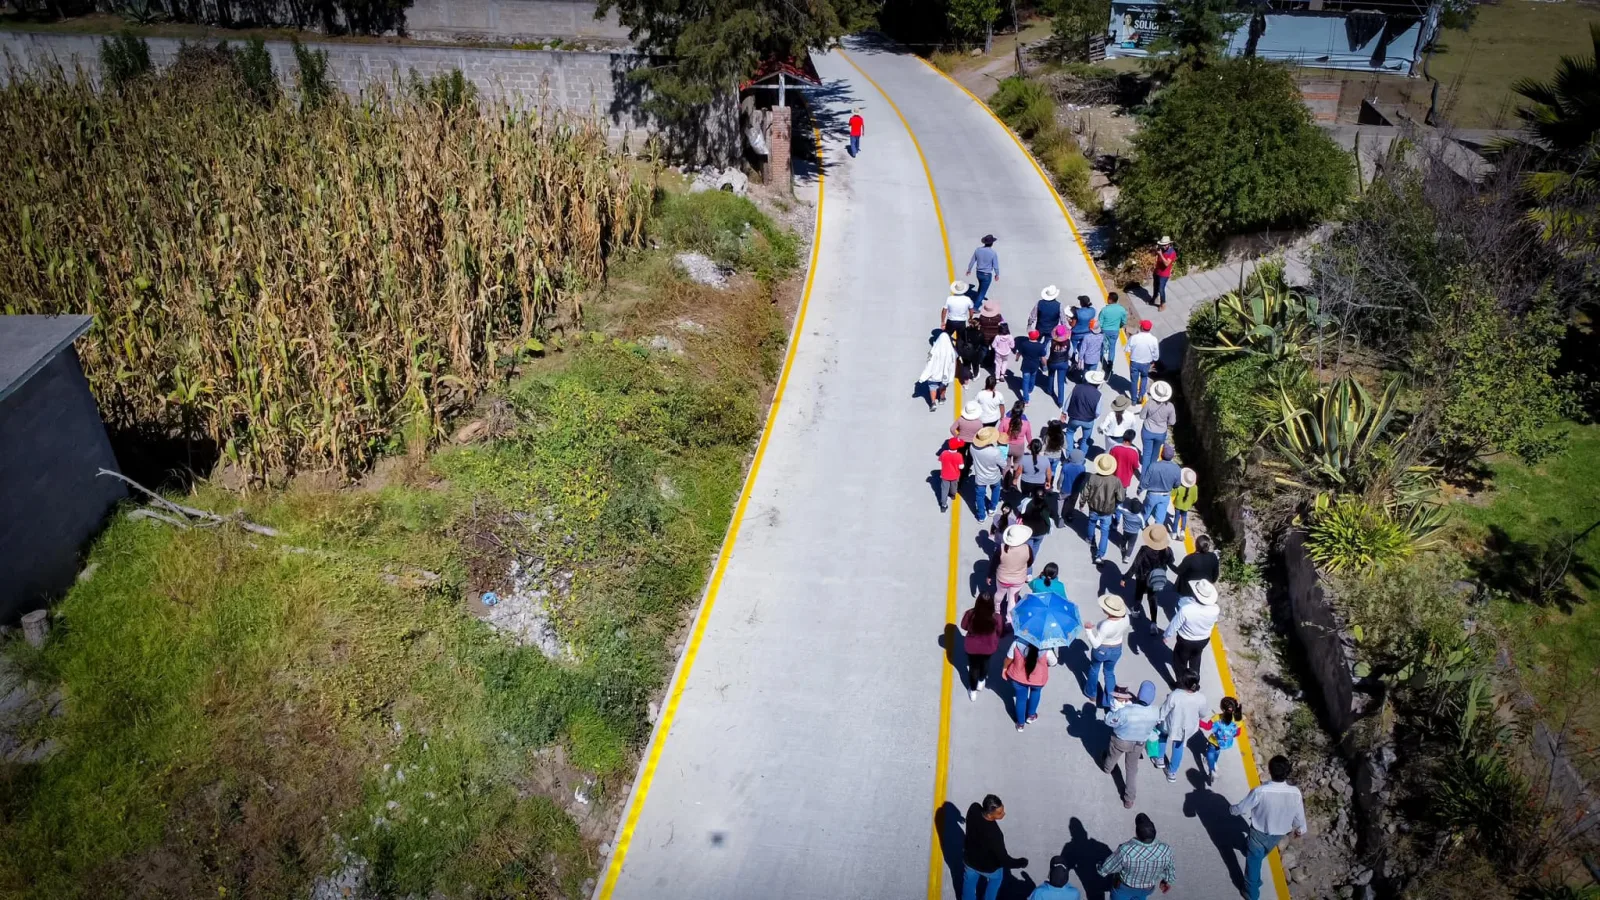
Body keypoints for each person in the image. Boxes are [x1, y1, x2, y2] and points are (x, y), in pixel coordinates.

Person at [1230, 755, 1308, 900]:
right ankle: (1255, 879)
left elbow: (1242, 808)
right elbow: (1299, 816)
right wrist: (1301, 829)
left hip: (1259, 833)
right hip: (1278, 835)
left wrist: (1231, 810)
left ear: (1270, 771)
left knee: (1253, 862)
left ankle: (1251, 893)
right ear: (1288, 772)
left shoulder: (1260, 791)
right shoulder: (1295, 793)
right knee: (1260, 854)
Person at [1103, 680, 1162, 808]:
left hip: (1121, 740)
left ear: (1139, 694)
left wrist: (1109, 714)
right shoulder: (1156, 711)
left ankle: (1108, 768)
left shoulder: (1126, 710)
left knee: (1112, 755)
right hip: (1139, 744)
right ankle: (1129, 799)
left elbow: (1109, 722)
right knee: (1131, 769)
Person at [964, 794, 1028, 900]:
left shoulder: (974, 808)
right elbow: (1005, 860)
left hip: (970, 861)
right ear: (989, 815)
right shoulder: (995, 835)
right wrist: (1021, 862)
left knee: (968, 886)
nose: (1003, 814)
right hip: (988, 868)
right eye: (999, 813)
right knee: (995, 881)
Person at [1097, 813, 1175, 899]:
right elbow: (1170, 868)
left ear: (1137, 833)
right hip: (1147, 889)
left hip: (1125, 888)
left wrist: (1100, 867)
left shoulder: (1126, 850)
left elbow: (1107, 867)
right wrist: (1167, 881)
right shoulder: (1166, 850)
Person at [1164, 578, 1219, 684]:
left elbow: (1175, 624)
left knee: (1180, 662)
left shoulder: (1186, 609)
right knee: (1196, 659)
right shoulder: (1215, 609)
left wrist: (1167, 635)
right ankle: (1194, 682)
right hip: (1203, 640)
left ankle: (1181, 684)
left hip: (1185, 641)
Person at [1083, 593, 1130, 709]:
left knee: (1094, 669)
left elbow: (1095, 644)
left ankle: (1092, 693)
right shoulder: (1126, 618)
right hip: (1117, 648)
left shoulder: (1106, 625)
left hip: (1102, 649)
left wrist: (1088, 630)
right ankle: (1110, 700)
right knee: (1109, 672)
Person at [1158, 675, 1208, 783]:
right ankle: (1172, 772)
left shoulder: (1175, 694)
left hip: (1171, 724)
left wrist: (1160, 719)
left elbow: (1165, 709)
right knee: (1178, 746)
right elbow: (1203, 714)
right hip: (1186, 729)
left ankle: (1160, 759)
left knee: (1162, 735)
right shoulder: (1201, 698)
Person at [1126, 524, 1174, 630]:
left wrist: (1126, 577)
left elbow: (1136, 565)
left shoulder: (1144, 550)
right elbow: (1171, 562)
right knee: (1152, 598)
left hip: (1142, 577)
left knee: (1139, 593)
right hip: (1156, 579)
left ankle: (1136, 610)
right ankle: (1153, 623)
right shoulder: (1167, 550)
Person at [1005, 635, 1055, 730]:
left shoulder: (1017, 643)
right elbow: (1053, 663)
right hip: (1037, 680)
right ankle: (1031, 716)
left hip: (1018, 678)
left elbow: (1009, 658)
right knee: (1035, 693)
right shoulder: (1047, 649)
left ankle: (1020, 724)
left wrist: (1004, 669)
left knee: (1020, 699)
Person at [1084, 454, 1124, 564]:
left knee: (1091, 523)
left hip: (1093, 508)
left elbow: (1085, 492)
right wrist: (1116, 504)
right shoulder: (1116, 481)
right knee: (1104, 532)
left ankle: (1090, 539)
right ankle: (1099, 555)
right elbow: (1121, 497)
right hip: (1108, 511)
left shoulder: (1092, 477)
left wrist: (1082, 503)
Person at [961, 593, 1002, 701]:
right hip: (989, 647)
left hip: (972, 647)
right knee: (985, 663)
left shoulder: (970, 614)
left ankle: (973, 691)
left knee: (973, 668)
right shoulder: (996, 617)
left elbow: (963, 626)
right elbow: (999, 631)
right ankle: (981, 681)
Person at [991, 524, 1035, 620]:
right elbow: (1030, 562)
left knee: (999, 594)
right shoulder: (1027, 548)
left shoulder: (1001, 548)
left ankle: (997, 611)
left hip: (1002, 578)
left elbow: (994, 563)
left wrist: (989, 575)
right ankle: (1009, 619)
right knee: (1012, 599)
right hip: (1018, 580)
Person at [1199, 695, 1244, 785]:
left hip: (1214, 741)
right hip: (1225, 743)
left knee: (1210, 752)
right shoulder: (1238, 720)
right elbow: (1237, 733)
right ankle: (1215, 762)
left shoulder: (1217, 718)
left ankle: (1211, 770)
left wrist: (1198, 721)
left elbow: (1207, 727)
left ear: (1223, 709)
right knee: (1217, 751)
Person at [970, 427, 1009, 521]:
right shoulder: (995, 451)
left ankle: (981, 516)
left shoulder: (972, 448)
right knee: (996, 490)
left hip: (980, 477)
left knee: (979, 497)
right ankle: (992, 508)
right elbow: (1003, 464)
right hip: (994, 476)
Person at [1141, 446, 1183, 528]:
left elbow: (1145, 482)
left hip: (1152, 494)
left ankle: (1142, 525)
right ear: (1172, 457)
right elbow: (1177, 484)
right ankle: (1156, 533)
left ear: (1161, 454)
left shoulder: (1153, 465)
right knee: (1160, 517)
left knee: (1146, 512)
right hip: (1165, 496)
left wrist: (1141, 489)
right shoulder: (1177, 469)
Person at [1064, 369, 1103, 455]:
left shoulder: (1077, 387)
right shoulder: (1098, 395)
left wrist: (1064, 412)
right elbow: (1097, 412)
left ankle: (1068, 454)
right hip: (1088, 420)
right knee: (1086, 439)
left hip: (1074, 417)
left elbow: (1068, 401)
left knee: (1070, 434)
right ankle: (1081, 457)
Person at [1140, 381, 1177, 471]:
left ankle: (1143, 479)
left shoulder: (1149, 403)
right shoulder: (1170, 406)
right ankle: (1151, 474)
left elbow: (1142, 416)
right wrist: (1164, 422)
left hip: (1147, 430)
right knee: (1155, 454)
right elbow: (1172, 422)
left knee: (1146, 454)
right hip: (1161, 433)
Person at [919, 331, 958, 411]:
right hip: (945, 374)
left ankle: (933, 403)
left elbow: (929, 361)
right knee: (943, 385)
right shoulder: (951, 351)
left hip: (934, 374)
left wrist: (926, 374)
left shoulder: (933, 350)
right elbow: (954, 361)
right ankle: (942, 398)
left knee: (932, 387)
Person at [1174, 533, 1220, 599]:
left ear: (1196, 545)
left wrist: (1169, 564)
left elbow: (1179, 571)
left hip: (1187, 591)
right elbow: (1215, 576)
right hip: (1203, 590)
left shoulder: (1190, 558)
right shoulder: (1213, 557)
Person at [1127, 321, 1159, 403]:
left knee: (1134, 381)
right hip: (1146, 364)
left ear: (1141, 327)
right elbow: (1156, 355)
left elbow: (1127, 349)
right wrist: (1153, 360)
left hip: (1134, 363)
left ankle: (1134, 400)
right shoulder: (1153, 339)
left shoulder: (1134, 337)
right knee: (1144, 378)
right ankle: (1141, 395)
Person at [1019, 485, 1053, 563]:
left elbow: (1021, 511)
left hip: (1028, 531)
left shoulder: (1027, 503)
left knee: (1028, 549)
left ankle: (1026, 563)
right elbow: (1048, 518)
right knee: (1036, 547)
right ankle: (1031, 562)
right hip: (1041, 532)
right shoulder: (1046, 505)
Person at [1056, 448, 1088, 529]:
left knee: (1061, 501)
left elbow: (1061, 478)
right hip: (1075, 490)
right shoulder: (1082, 468)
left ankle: (1060, 516)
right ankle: (1069, 515)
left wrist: (1058, 485)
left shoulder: (1066, 466)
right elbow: (1082, 480)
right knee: (1072, 502)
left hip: (1065, 489)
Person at [1097, 292, 1129, 372]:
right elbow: (1124, 322)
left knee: (1102, 346)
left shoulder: (1104, 310)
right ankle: (1110, 362)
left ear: (1110, 300)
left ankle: (1102, 359)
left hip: (1105, 331)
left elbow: (1100, 323)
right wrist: (1119, 326)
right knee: (1112, 347)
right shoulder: (1122, 310)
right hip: (1115, 331)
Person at [1016, 329, 1050, 405]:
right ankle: (1030, 389)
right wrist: (1045, 365)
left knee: (1025, 381)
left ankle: (1026, 399)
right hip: (1035, 365)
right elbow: (1043, 358)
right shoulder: (1040, 346)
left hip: (1026, 365)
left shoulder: (1024, 344)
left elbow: (1019, 353)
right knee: (1033, 378)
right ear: (1037, 336)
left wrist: (1017, 358)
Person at [966, 235, 1001, 305]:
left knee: (981, 287)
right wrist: (997, 274)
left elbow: (972, 261)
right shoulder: (993, 253)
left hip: (978, 273)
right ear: (992, 243)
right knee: (983, 291)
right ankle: (976, 307)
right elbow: (995, 266)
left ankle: (976, 299)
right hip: (987, 275)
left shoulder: (978, 250)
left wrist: (969, 270)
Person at [938, 438, 966, 513]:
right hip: (955, 475)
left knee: (944, 490)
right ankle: (953, 495)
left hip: (944, 475)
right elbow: (961, 467)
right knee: (954, 487)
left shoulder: (944, 453)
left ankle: (943, 505)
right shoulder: (958, 455)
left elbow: (940, 460)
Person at [1048, 325, 1074, 406]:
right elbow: (1070, 354)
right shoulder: (1068, 342)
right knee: (1061, 382)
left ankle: (1050, 390)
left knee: (1051, 376)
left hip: (1052, 362)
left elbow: (1047, 354)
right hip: (1063, 363)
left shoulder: (1051, 342)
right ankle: (1060, 401)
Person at [1168, 468, 1198, 537]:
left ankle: (1174, 533)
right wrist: (1190, 503)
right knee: (1184, 517)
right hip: (1186, 506)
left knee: (1177, 518)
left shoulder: (1179, 485)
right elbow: (1195, 499)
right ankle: (1182, 532)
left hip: (1178, 505)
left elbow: (1172, 494)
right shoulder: (1195, 487)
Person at [1116, 495, 1144, 564]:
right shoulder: (1140, 517)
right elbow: (1143, 526)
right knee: (1131, 545)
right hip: (1134, 533)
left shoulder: (1126, 512)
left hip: (1126, 530)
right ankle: (1127, 557)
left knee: (1124, 539)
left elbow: (1118, 508)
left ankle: (1122, 547)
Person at [1041, 419, 1069, 487]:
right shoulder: (1062, 436)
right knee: (1053, 470)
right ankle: (1050, 483)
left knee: (1046, 470)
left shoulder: (1047, 436)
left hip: (1047, 456)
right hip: (1057, 456)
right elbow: (1065, 446)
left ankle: (1044, 482)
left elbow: (1044, 446)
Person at [1151, 237, 1176, 311]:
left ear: (1169, 244)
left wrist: (1161, 254)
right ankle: (1154, 297)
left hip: (1164, 274)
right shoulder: (1160, 249)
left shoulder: (1172, 252)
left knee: (1161, 289)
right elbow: (1153, 254)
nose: (1164, 246)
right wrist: (1155, 251)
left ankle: (1163, 304)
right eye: (1163, 245)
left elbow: (1166, 264)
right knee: (1155, 286)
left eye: (1165, 245)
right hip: (1157, 271)